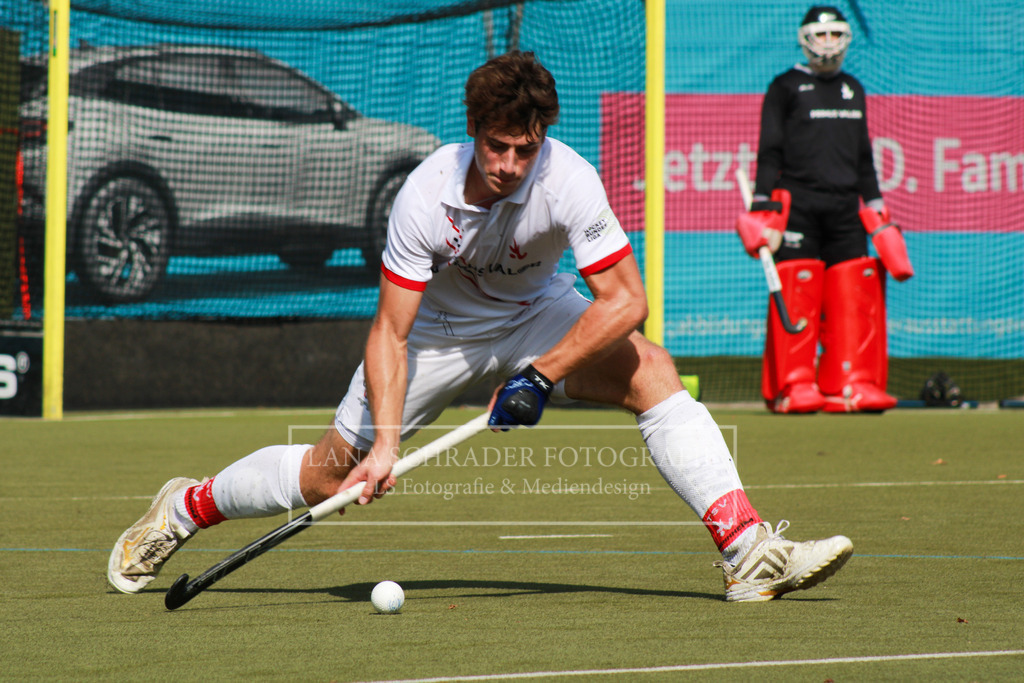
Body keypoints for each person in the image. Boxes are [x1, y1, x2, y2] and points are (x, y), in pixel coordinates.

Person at [109, 50, 852, 603]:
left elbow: (626, 299)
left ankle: (746, 550)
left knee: (652, 369)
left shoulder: (568, 179)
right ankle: (186, 505)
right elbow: (390, 334)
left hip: (537, 315)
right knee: (330, 470)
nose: (509, 164)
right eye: (496, 146)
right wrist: (390, 445)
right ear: (474, 133)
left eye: (524, 149)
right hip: (437, 332)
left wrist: (541, 374)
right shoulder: (424, 196)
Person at [737, 6, 913, 414]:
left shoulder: (854, 87)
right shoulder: (784, 86)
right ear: (806, 38)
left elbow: (864, 156)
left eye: (837, 33)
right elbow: (769, 152)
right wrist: (763, 207)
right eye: (823, 34)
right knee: (797, 291)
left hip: (845, 209)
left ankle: (849, 382)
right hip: (797, 207)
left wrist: (877, 210)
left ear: (846, 38)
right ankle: (793, 386)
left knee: (854, 293)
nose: (830, 42)